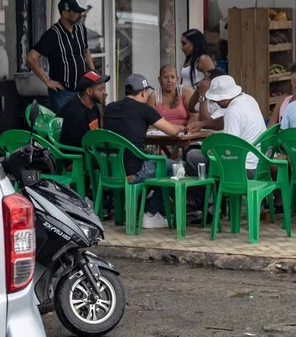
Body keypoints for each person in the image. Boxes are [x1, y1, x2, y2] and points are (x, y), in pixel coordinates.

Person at [102, 74, 187, 229]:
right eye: (147, 92)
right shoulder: (144, 109)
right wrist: (181, 127)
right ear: (143, 92)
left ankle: (143, 204)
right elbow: (172, 131)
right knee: (173, 167)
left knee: (154, 160)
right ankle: (151, 213)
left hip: (111, 170)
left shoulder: (109, 108)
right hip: (135, 171)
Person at [185, 75, 266, 176]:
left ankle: (211, 186)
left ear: (224, 97)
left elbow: (228, 150)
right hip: (260, 164)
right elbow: (225, 121)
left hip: (242, 168)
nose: (215, 102)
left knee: (192, 156)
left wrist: (210, 151)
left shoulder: (232, 111)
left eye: (216, 99)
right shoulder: (249, 100)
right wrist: (202, 124)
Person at [26, 0, 96, 111]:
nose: (80, 15)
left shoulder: (80, 29)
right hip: (63, 93)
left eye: (81, 12)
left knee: (83, 120)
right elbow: (31, 58)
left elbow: (85, 50)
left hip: (81, 89)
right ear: (65, 13)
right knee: (65, 121)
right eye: (77, 12)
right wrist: (47, 81)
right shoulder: (53, 34)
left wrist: (93, 73)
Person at [59, 69, 109, 149]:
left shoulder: (93, 106)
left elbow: (99, 131)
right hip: (77, 154)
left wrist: (103, 111)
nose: (104, 93)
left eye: (104, 89)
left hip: (90, 148)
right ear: (89, 91)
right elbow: (85, 145)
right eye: (101, 89)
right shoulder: (76, 113)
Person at [179, 29, 216, 103]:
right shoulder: (191, 59)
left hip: (198, 101)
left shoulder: (203, 59)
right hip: (187, 101)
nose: (181, 47)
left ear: (194, 43)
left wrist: (200, 86)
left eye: (184, 43)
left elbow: (214, 78)